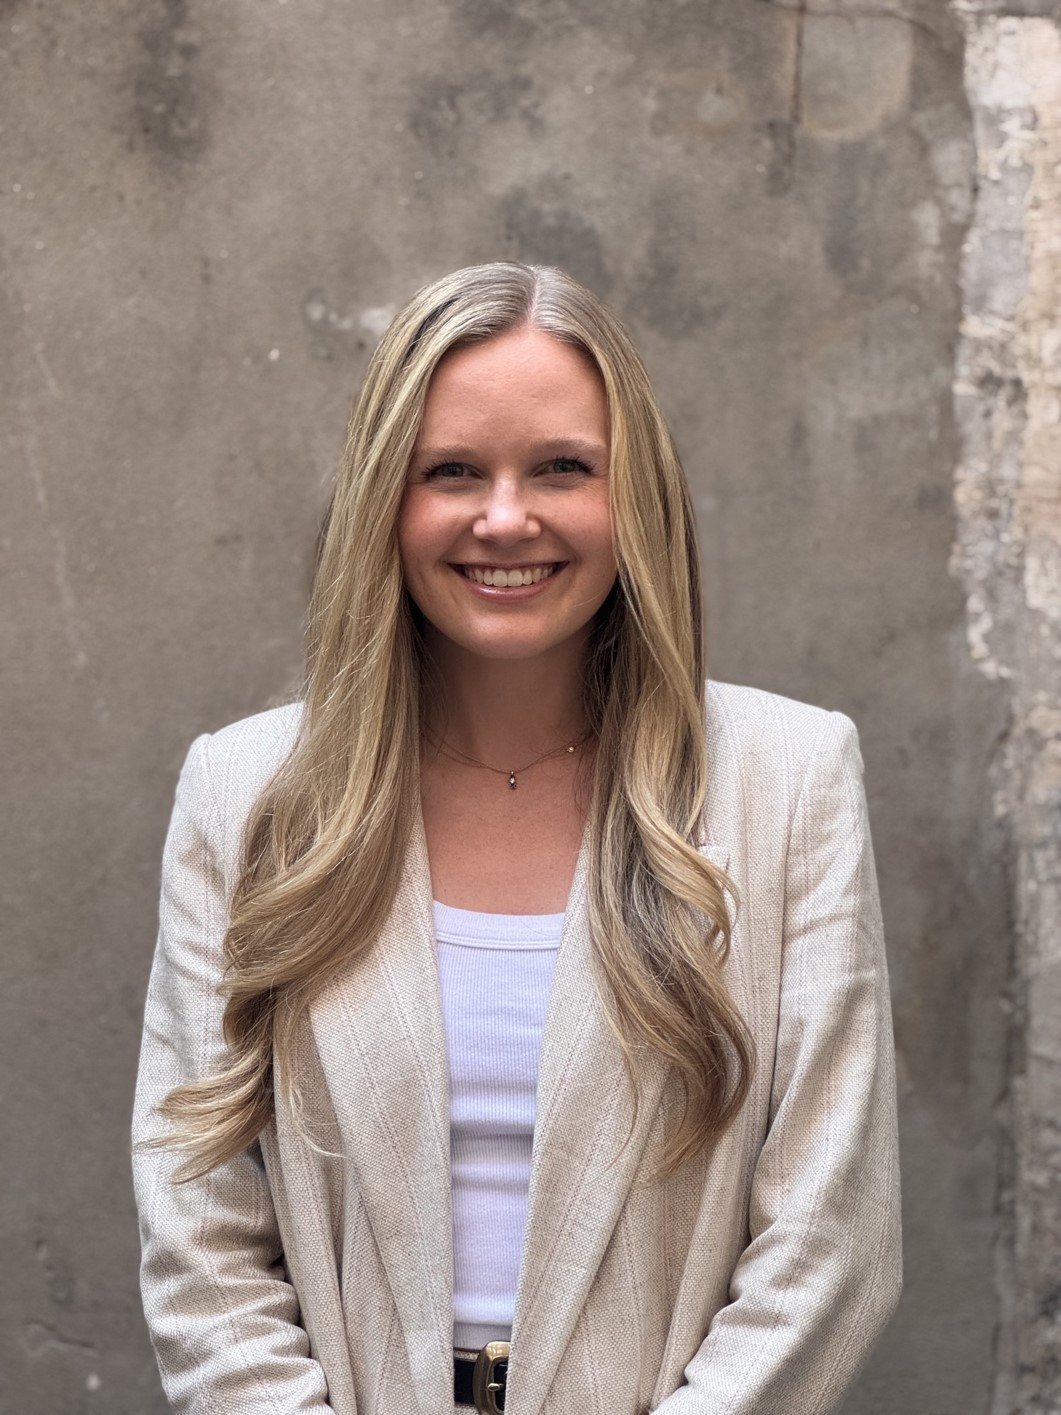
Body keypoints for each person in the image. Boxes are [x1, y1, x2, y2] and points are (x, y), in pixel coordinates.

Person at [132, 261, 901, 1415]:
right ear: (384, 500)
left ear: (631, 494)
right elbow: (200, 1225)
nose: (505, 516)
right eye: (451, 470)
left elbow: (830, 1243)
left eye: (560, 468)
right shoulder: (247, 793)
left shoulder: (788, 780)